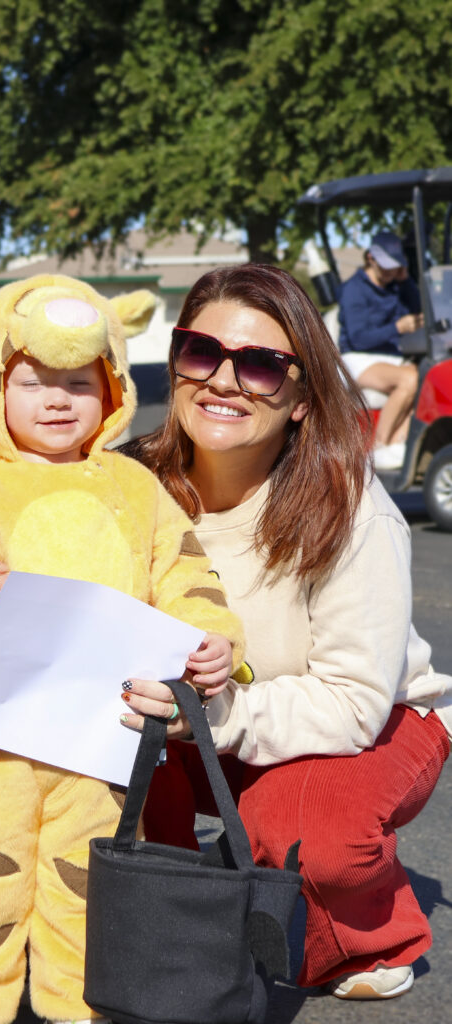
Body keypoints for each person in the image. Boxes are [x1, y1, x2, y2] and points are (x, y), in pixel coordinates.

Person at [0, 274, 245, 1024]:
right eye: (34, 381)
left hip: (101, 743)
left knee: (85, 894)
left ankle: (75, 1011)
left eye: (78, 382)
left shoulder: (135, 487)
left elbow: (184, 572)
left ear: (112, 390)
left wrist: (213, 643)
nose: (56, 399)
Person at [114, 263, 452, 1001]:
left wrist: (213, 714)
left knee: (302, 826)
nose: (223, 381)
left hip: (374, 722)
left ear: (300, 397)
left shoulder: (348, 507)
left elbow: (352, 701)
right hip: (192, 723)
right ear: (173, 364)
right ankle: (148, 916)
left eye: (261, 366)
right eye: (201, 353)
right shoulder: (119, 483)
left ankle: (366, 932)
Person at [338, 230, 423, 471]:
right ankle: (378, 447)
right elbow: (359, 338)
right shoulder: (354, 289)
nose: (389, 272)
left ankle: (398, 445)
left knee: (428, 377)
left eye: (394, 267)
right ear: (370, 258)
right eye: (386, 266)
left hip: (390, 357)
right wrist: (396, 327)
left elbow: (417, 307)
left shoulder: (396, 285)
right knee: (411, 378)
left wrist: (406, 281)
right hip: (357, 357)